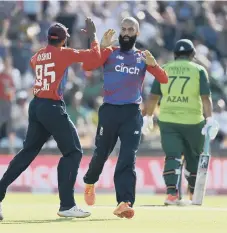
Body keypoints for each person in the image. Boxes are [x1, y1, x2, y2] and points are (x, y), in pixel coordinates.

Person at [0, 18, 101, 221]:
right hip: (52, 106)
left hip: (36, 105)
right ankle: (67, 205)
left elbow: (34, 61)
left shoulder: (38, 55)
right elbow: (95, 58)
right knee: (73, 152)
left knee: (27, 153)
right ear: (64, 40)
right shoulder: (63, 53)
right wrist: (93, 36)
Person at [82, 17, 168, 219]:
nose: (127, 32)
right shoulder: (110, 52)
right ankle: (90, 181)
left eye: (131, 29)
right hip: (110, 110)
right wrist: (101, 46)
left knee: (128, 158)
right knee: (102, 153)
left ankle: (124, 202)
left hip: (132, 113)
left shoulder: (142, 57)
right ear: (120, 32)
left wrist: (154, 65)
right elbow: (89, 65)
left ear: (137, 33)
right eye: (124, 29)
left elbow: (163, 79)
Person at [143, 39, 219, 205]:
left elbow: (153, 96)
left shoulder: (165, 68)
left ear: (175, 54)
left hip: (168, 121)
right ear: (192, 54)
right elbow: (206, 98)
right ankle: (193, 193)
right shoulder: (199, 70)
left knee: (173, 156)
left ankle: (172, 193)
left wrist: (147, 116)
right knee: (194, 158)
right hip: (194, 121)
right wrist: (210, 119)